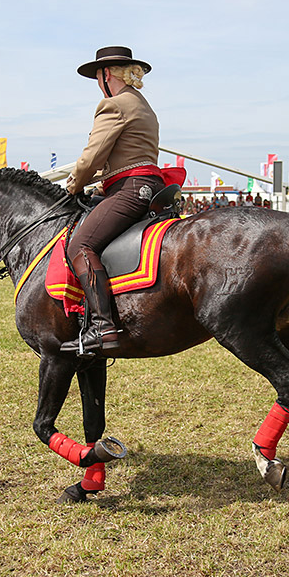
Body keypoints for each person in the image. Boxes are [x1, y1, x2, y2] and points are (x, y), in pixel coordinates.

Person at [61, 46, 183, 356]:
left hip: (131, 187)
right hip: (149, 184)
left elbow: (92, 156)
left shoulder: (113, 105)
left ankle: (102, 327)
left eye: (96, 77)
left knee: (80, 246)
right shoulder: (143, 104)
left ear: (105, 75)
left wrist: (73, 184)